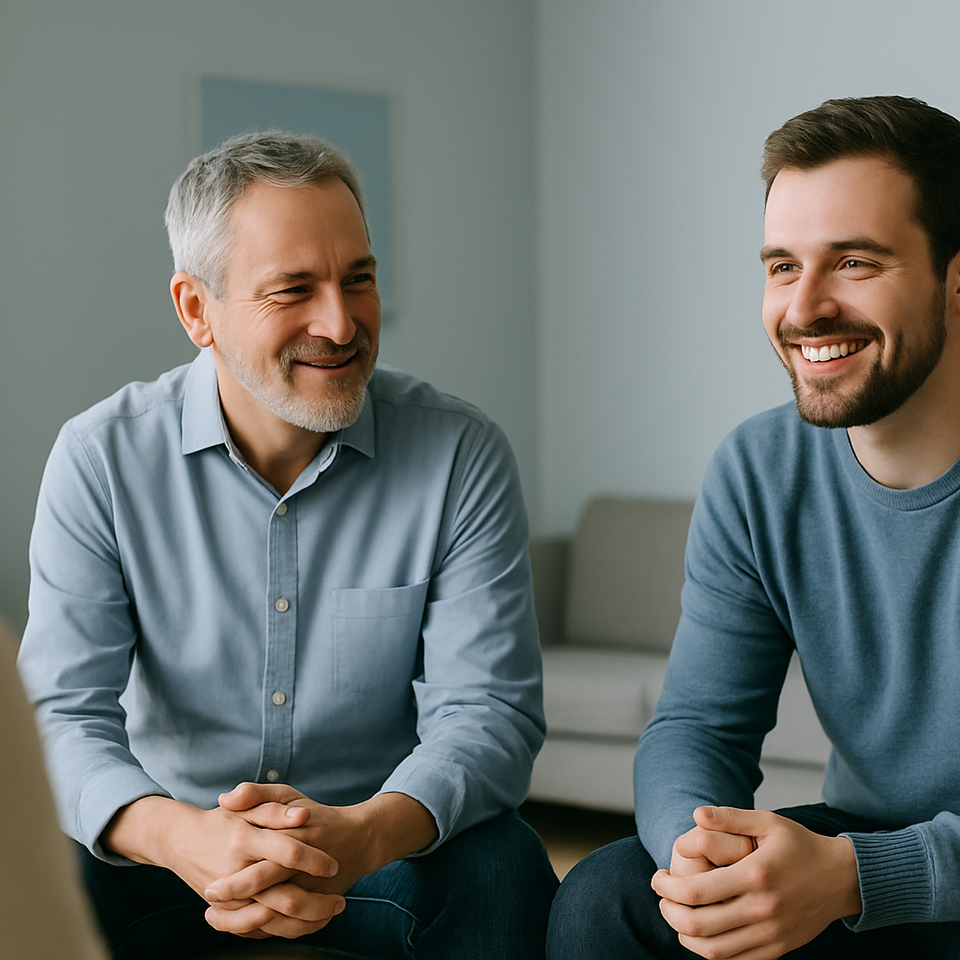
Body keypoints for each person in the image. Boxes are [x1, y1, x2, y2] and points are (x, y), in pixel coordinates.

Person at [17, 130, 557, 960]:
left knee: (503, 863)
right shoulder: (101, 458)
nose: (340, 324)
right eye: (294, 289)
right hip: (166, 854)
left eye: (359, 279)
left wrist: (364, 836)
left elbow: (487, 711)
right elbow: (63, 714)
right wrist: (182, 839)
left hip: (375, 849)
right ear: (197, 310)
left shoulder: (458, 453)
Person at [546, 95, 960, 959]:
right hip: (859, 845)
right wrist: (700, 858)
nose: (804, 308)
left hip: (900, 869)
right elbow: (697, 725)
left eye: (854, 262)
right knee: (606, 899)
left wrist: (855, 876)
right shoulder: (758, 470)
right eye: (781, 266)